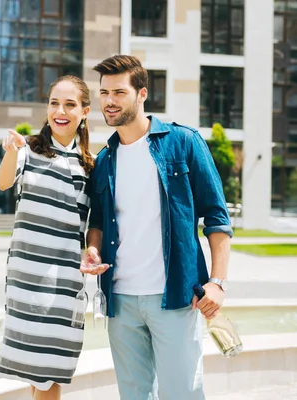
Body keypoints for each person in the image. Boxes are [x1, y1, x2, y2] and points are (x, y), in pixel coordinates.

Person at [81, 54, 233, 399]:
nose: (109, 101)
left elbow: (216, 216)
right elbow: (99, 222)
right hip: (119, 299)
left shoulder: (183, 142)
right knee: (134, 395)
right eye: (104, 93)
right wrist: (92, 247)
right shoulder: (104, 160)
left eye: (119, 92)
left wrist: (218, 283)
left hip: (174, 298)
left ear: (142, 94)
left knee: (182, 393)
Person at [0, 75, 95, 400]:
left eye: (69, 104)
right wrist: (11, 150)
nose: (60, 111)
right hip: (28, 282)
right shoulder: (29, 149)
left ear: (85, 111)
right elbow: (5, 182)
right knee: (41, 376)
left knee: (50, 375)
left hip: (65, 285)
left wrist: (91, 250)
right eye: (54, 103)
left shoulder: (90, 165)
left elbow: (93, 223)